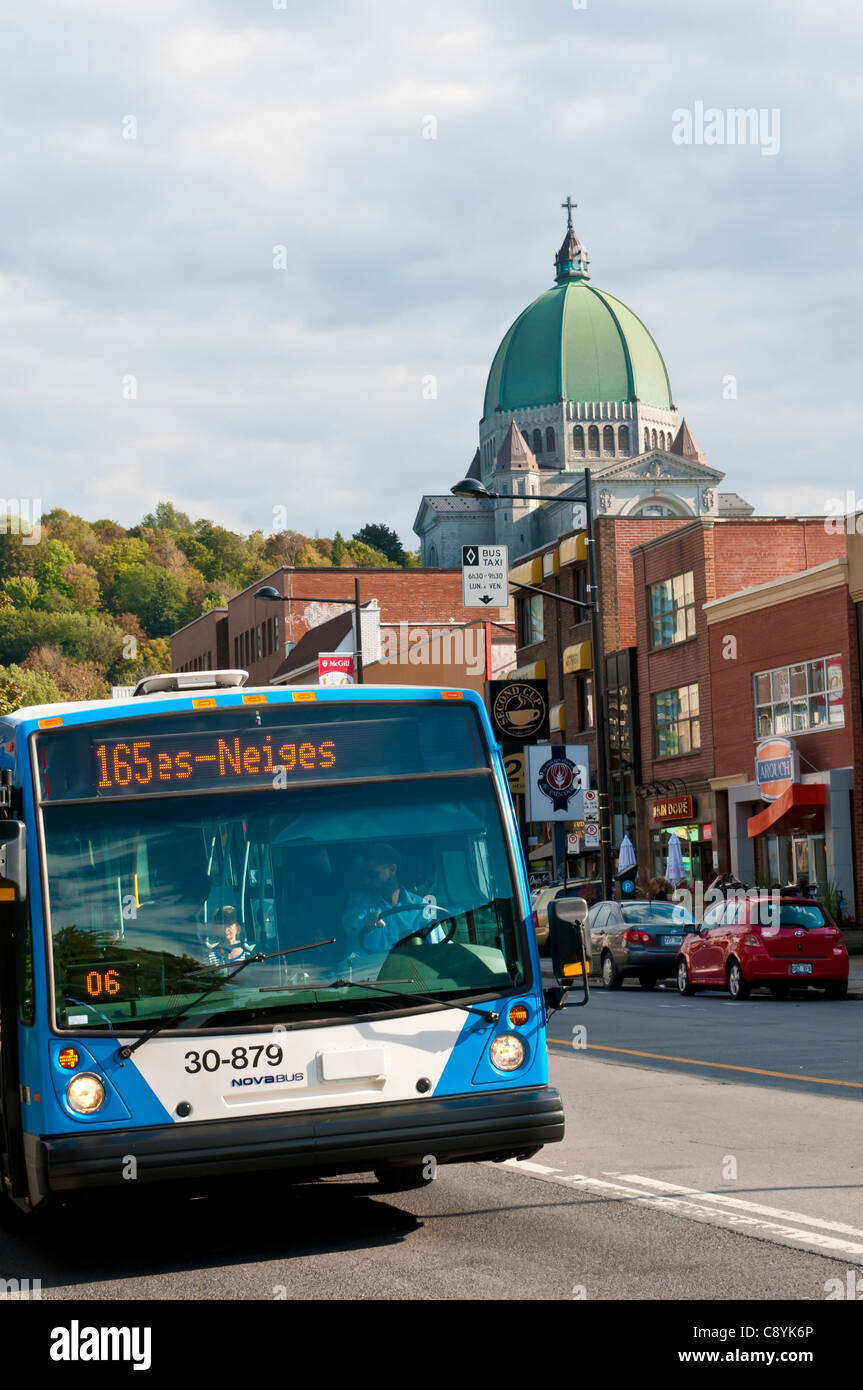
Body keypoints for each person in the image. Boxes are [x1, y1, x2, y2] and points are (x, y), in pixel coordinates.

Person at [341, 844, 445, 955]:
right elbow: (351, 924)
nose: (366, 881)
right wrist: (366, 923)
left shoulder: (421, 906)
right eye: (364, 876)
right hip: (373, 971)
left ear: (392, 869)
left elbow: (440, 946)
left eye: (372, 875)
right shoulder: (360, 905)